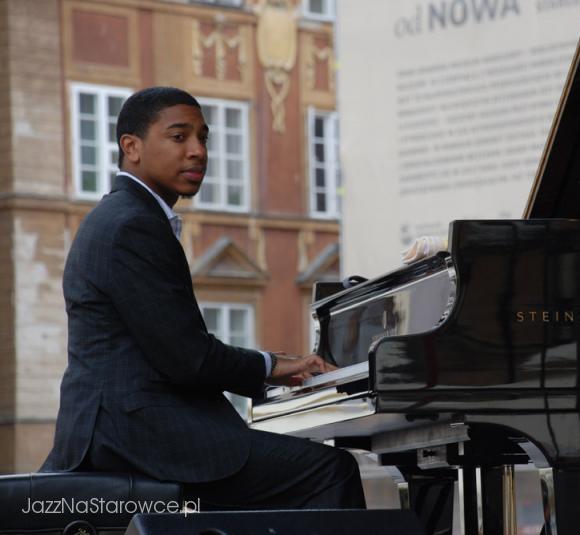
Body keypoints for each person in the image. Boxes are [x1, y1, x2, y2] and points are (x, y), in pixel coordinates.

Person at [41, 86, 366, 510]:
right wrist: (273, 366)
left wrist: (270, 368)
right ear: (131, 147)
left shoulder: (124, 216)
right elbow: (187, 359)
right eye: (179, 137)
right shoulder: (132, 225)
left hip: (125, 429)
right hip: (134, 436)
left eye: (203, 138)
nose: (198, 151)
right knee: (329, 471)